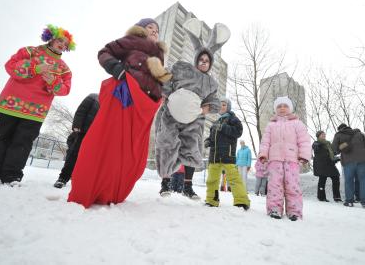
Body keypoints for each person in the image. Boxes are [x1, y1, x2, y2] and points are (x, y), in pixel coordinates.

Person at [68, 18, 170, 208]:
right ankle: (90, 186)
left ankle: (114, 190)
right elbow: (104, 52)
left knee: (133, 151)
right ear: (141, 29)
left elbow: (157, 77)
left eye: (157, 29)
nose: (155, 31)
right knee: (111, 140)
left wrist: (162, 89)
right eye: (150, 27)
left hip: (146, 104)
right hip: (125, 94)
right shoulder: (132, 40)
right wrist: (117, 70)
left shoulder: (159, 53)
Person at [0, 24, 74, 185]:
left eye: (65, 44)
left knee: (22, 143)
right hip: (11, 103)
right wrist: (36, 68)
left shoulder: (64, 69)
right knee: (1, 137)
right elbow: (10, 66)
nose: (62, 44)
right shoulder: (30, 51)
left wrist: (53, 81)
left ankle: (11, 175)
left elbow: (65, 89)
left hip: (36, 111)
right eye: (60, 40)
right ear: (51, 38)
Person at [155, 18, 229, 199]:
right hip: (170, 116)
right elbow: (166, 79)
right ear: (196, 60)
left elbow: (215, 103)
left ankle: (188, 187)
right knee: (167, 144)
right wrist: (167, 94)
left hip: (193, 121)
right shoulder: (182, 68)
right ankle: (165, 183)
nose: (204, 62)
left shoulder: (211, 83)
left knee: (191, 148)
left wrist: (203, 110)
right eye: (201, 59)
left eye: (207, 60)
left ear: (210, 64)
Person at [258, 96, 311, 221]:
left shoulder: (297, 124)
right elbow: (265, 142)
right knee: (274, 185)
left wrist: (303, 156)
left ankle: (294, 211)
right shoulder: (271, 125)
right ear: (276, 109)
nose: (282, 108)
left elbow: (304, 141)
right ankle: (274, 209)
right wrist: (263, 155)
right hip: (274, 160)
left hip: (292, 160)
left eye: (285, 106)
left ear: (290, 108)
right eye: (279, 106)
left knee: (292, 186)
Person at [204, 98, 250, 210]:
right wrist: (208, 141)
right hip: (214, 156)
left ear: (228, 107)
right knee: (212, 180)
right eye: (219, 105)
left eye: (224, 105)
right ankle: (211, 200)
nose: (221, 107)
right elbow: (212, 136)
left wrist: (224, 127)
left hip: (227, 155)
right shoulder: (215, 122)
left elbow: (238, 131)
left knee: (234, 179)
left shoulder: (233, 119)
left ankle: (242, 201)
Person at [53, 93, 99, 188]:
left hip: (97, 135)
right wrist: (77, 126)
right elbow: (81, 111)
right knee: (74, 154)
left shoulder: (111, 102)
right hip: (83, 132)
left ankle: (82, 180)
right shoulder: (93, 97)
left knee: (91, 159)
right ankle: (63, 178)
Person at [331, 124, 365, 208]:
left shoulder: (339, 135)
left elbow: (334, 149)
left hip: (348, 162)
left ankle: (349, 201)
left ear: (340, 129)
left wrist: (341, 146)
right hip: (362, 161)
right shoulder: (360, 134)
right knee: (364, 181)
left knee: (349, 181)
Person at [312, 131, 342, 202]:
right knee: (322, 180)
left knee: (336, 178)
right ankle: (321, 197)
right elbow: (315, 148)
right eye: (322, 134)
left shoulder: (328, 143)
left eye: (324, 134)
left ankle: (337, 197)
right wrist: (317, 144)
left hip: (330, 164)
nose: (324, 135)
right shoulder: (316, 143)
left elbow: (332, 153)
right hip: (322, 165)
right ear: (318, 136)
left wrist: (336, 158)